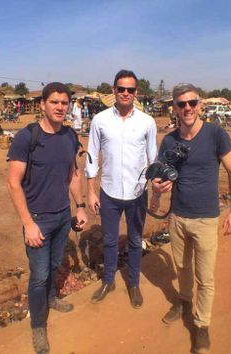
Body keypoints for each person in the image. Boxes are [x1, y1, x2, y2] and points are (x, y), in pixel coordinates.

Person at [151, 83, 231, 353]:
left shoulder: (216, 134)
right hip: (178, 217)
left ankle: (201, 326)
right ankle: (184, 301)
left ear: (199, 105)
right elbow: (162, 175)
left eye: (192, 103)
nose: (187, 108)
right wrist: (157, 187)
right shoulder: (169, 140)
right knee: (182, 267)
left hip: (205, 219)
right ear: (175, 108)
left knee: (206, 276)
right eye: (181, 104)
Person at [6, 82, 88, 354]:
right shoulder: (26, 137)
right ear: (42, 104)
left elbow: (72, 175)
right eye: (54, 102)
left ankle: (51, 298)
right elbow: (13, 183)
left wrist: (80, 206)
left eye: (64, 103)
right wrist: (28, 224)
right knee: (39, 275)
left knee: (53, 265)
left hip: (63, 216)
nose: (60, 107)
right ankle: (38, 326)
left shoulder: (69, 137)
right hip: (38, 219)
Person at [85, 69, 157, 308]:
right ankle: (109, 280)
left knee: (136, 240)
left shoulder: (147, 122)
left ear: (136, 93)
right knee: (109, 240)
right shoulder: (100, 120)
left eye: (131, 89)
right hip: (109, 192)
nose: (126, 93)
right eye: (121, 88)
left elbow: (153, 159)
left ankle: (134, 283)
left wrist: (155, 192)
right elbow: (92, 156)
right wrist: (91, 190)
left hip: (138, 193)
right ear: (114, 90)